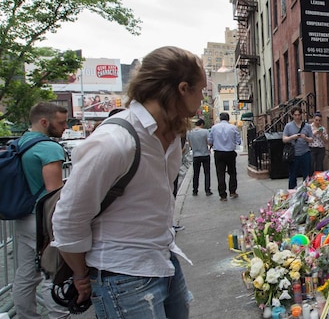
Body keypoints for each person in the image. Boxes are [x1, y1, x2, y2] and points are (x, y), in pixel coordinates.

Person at [52, 46, 204, 318]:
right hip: (122, 276)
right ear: (183, 89)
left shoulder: (171, 137)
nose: (202, 99)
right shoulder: (114, 142)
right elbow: (68, 219)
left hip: (164, 260)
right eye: (201, 90)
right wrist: (80, 275)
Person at [12, 103, 70, 319]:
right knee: (52, 272)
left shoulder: (20, 143)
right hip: (42, 220)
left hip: (23, 217)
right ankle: (58, 316)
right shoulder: (49, 148)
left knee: (26, 275)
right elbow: (53, 194)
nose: (65, 127)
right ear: (44, 122)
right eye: (61, 122)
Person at [209, 112, 241, 201]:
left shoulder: (214, 128)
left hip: (218, 153)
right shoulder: (233, 128)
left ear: (220, 118)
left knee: (220, 174)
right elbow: (238, 141)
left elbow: (210, 141)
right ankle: (232, 191)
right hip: (230, 152)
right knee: (232, 173)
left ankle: (223, 195)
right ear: (228, 119)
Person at [283, 106, 313, 189]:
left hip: (305, 153)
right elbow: (284, 139)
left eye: (298, 115)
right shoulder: (288, 126)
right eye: (295, 115)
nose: (297, 117)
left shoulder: (307, 126)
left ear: (301, 115)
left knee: (307, 175)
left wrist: (305, 138)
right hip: (294, 154)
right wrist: (292, 137)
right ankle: (292, 193)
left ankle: (306, 192)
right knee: (293, 175)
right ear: (292, 115)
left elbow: (311, 140)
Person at [187, 119, 212, 196]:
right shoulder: (205, 131)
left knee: (196, 174)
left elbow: (190, 144)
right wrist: (209, 147)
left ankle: (195, 190)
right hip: (205, 154)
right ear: (202, 124)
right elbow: (209, 142)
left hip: (196, 155)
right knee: (207, 173)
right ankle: (207, 190)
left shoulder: (189, 132)